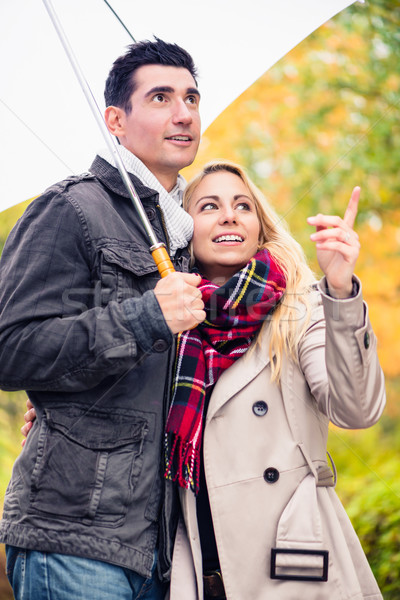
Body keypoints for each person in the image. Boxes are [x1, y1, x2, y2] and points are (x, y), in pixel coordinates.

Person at [0, 38, 206, 600]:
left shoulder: (186, 235)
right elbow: (12, 348)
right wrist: (145, 317)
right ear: (115, 120)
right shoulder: (70, 209)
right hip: (74, 534)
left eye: (191, 97)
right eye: (161, 97)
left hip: (162, 545)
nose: (183, 113)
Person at [164, 161, 385, 600]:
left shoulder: (301, 310)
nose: (229, 215)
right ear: (184, 229)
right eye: (209, 206)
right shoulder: (169, 327)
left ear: (258, 227)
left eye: (242, 205)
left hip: (292, 565)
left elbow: (356, 409)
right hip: (194, 569)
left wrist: (340, 292)